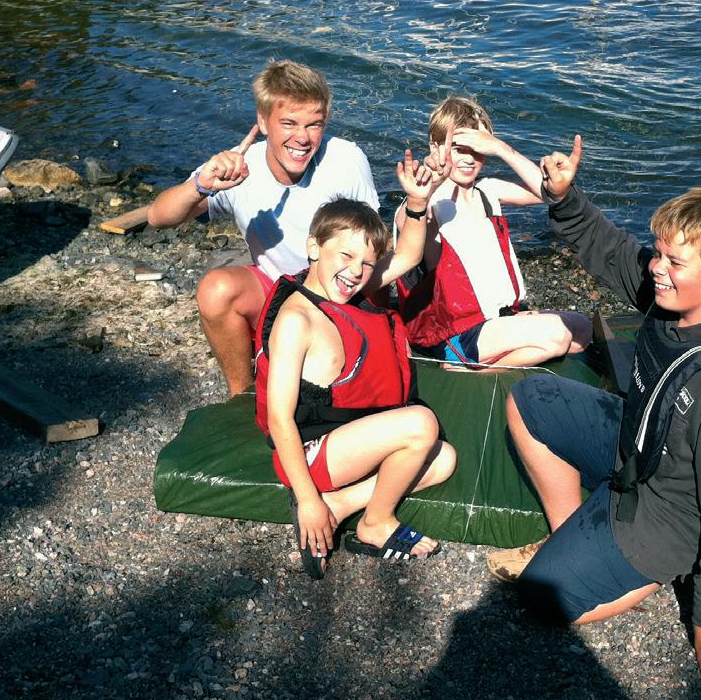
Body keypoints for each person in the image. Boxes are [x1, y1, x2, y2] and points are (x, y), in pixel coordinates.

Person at [486, 138, 701, 691]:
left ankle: (654, 569)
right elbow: (611, 251)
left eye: (675, 262)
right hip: (642, 444)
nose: (657, 268)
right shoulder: (675, 298)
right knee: (531, 399)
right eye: (658, 253)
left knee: (542, 597)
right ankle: (572, 535)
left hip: (676, 510)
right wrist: (565, 198)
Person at [256, 166, 458, 579]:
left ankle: (341, 505)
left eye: (367, 263)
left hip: (347, 439)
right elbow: (279, 419)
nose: (355, 271)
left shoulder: (348, 289)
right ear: (314, 247)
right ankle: (375, 524)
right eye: (345, 256)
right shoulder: (297, 320)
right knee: (421, 423)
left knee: (443, 459)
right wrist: (307, 500)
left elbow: (409, 255)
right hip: (310, 453)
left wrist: (417, 203)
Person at [146, 60, 379, 396]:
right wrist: (201, 186)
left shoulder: (346, 160)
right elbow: (158, 216)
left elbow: (372, 252)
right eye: (289, 123)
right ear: (262, 121)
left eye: (314, 125)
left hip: (338, 296)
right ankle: (242, 394)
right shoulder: (241, 167)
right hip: (277, 290)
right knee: (216, 290)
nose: (302, 138)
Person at [396, 96, 592, 367]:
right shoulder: (430, 200)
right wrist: (428, 186)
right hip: (456, 333)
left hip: (496, 320)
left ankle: (503, 348)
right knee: (558, 336)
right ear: (435, 147)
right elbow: (404, 222)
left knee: (582, 329)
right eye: (459, 149)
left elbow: (550, 193)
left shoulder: (488, 190)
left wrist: (501, 148)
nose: (469, 159)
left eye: (478, 149)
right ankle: (470, 371)